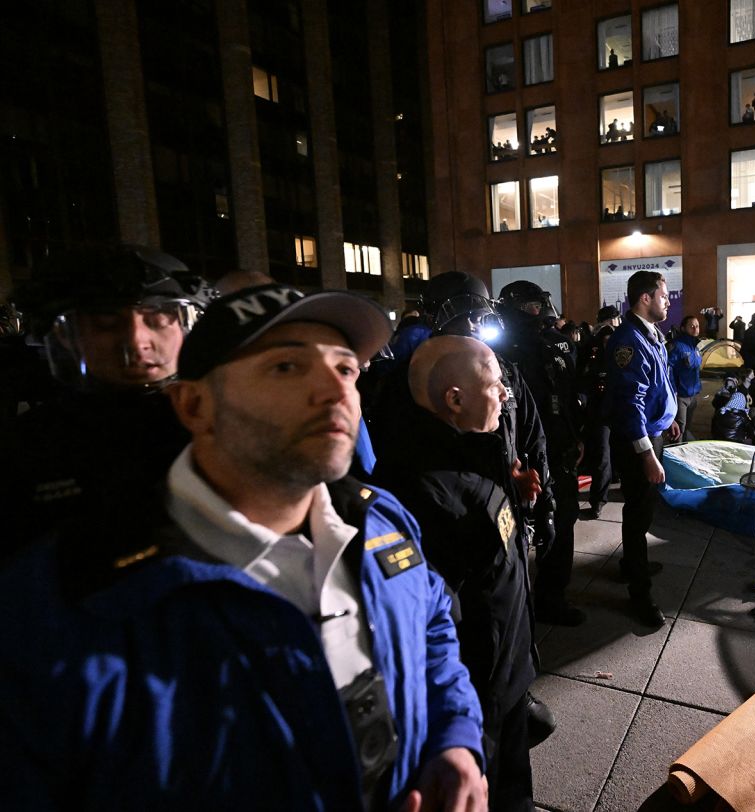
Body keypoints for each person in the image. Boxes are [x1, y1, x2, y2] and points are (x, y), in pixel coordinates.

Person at [1, 284, 489, 809]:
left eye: (346, 368)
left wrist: (454, 739)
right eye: (286, 367)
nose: (335, 391)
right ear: (194, 405)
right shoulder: (69, 600)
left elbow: (431, 622)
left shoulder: (379, 520)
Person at [374, 336, 540, 810]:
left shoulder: (475, 450)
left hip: (507, 674)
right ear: (455, 399)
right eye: (496, 383)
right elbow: (437, 622)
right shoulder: (420, 492)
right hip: (475, 700)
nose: (506, 393)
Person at [4, 245, 210, 549]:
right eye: (105, 321)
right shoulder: (25, 448)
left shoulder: (228, 426)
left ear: (185, 325)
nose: (136, 341)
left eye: (159, 318)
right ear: (64, 334)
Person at [495, 280, 587, 627]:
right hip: (518, 458)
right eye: (531, 307)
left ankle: (552, 597)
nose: (539, 313)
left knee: (562, 523)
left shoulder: (556, 344)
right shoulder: (498, 351)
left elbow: (568, 396)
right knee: (512, 533)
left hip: (557, 449)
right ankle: (514, 602)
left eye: (540, 306)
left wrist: (576, 436)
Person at [604, 271, 679, 628]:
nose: (669, 301)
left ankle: (630, 565)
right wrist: (648, 454)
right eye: (664, 295)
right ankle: (639, 591)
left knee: (644, 510)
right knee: (637, 516)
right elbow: (629, 405)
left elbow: (657, 386)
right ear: (645, 299)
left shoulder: (651, 335)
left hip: (653, 433)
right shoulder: (629, 341)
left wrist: (668, 419)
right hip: (639, 443)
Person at [580, 305, 623, 519]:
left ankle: (612, 486)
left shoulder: (624, 340)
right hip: (601, 408)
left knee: (616, 452)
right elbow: (583, 374)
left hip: (619, 405)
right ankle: (598, 500)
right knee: (603, 456)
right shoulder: (591, 344)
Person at [669, 313, 703, 442]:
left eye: (697, 326)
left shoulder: (695, 347)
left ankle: (684, 450)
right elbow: (668, 369)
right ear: (683, 328)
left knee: (687, 427)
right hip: (680, 397)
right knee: (679, 430)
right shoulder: (677, 346)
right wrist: (673, 391)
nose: (695, 329)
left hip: (693, 395)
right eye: (692, 326)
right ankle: (675, 455)